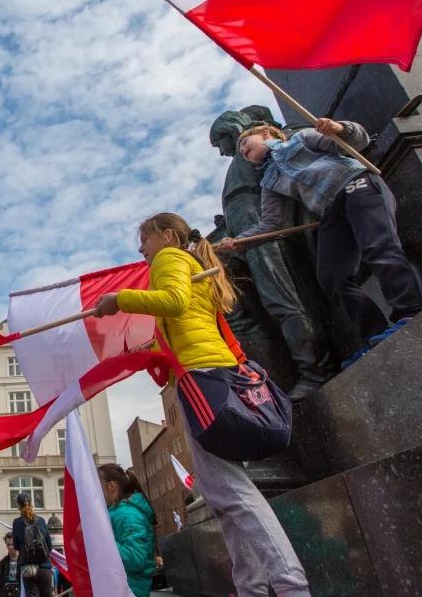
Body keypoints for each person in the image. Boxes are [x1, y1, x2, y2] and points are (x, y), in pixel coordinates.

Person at [96, 212, 310, 595]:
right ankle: (254, 587)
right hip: (215, 373)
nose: (140, 248)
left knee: (230, 493)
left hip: (203, 378)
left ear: (166, 235)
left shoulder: (169, 259)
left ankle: (289, 584)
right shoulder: (192, 261)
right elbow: (189, 316)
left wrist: (119, 300)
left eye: (143, 239)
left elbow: (174, 301)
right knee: (223, 495)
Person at [220, 118, 422, 379]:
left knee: (379, 248)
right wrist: (239, 241)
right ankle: (375, 334)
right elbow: (272, 224)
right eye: (241, 150)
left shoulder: (302, 139)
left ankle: (410, 311)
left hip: (357, 185)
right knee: (331, 277)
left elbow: (357, 139)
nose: (242, 150)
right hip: (330, 211)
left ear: (264, 133)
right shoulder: (269, 181)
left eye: (245, 142)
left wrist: (339, 128)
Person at [97, 464, 159, 597]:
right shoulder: (121, 513)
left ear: (111, 486)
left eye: (97, 487)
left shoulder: (128, 515)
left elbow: (135, 558)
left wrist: (99, 538)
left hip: (129, 590)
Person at [10, 493, 52, 597]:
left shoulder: (17, 523)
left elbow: (15, 546)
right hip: (44, 567)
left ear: (18, 506)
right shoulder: (41, 521)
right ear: (31, 504)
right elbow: (49, 545)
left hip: (28, 568)